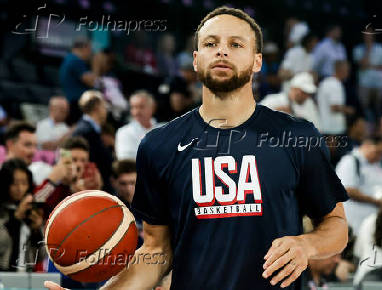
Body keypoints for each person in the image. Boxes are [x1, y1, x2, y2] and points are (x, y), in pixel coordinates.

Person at [45, 7, 349, 290]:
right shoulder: (158, 145)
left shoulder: (296, 135)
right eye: (211, 43)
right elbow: (155, 251)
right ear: (195, 59)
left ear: (257, 60)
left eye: (236, 44)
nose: (222, 50)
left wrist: (306, 245)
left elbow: (336, 225)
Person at [33, 137, 102, 219]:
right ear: (62, 161)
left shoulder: (88, 188)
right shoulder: (51, 185)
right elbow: (35, 203)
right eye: (74, 160)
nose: (79, 165)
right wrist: (52, 181)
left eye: (83, 160)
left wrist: (88, 195)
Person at [336, 136, 382, 233]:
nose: (380, 157)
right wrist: (376, 201)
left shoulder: (378, 166)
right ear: (367, 145)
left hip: (370, 223)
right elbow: (347, 190)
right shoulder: (349, 161)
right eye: (378, 152)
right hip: (351, 223)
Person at [0, 158, 44, 271]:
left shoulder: (31, 210)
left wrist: (36, 231)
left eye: (24, 183)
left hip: (27, 276)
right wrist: (15, 218)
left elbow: (40, 256)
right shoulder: (3, 211)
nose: (20, 188)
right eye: (14, 183)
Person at [72, 90, 113, 192]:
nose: (106, 110)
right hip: (91, 187)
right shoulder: (85, 131)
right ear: (97, 107)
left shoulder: (90, 130)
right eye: (104, 106)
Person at [59, 37, 100, 124]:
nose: (91, 53)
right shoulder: (76, 60)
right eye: (90, 49)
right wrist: (96, 65)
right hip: (76, 105)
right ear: (85, 48)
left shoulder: (69, 58)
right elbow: (92, 82)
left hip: (72, 103)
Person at [353, 31, 382, 121]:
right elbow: (362, 65)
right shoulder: (358, 49)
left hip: (379, 83)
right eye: (366, 35)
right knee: (364, 107)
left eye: (370, 35)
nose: (368, 37)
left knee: (380, 108)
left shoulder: (381, 48)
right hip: (364, 83)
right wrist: (368, 50)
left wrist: (370, 66)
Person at [115, 91, 160, 160]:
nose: (137, 112)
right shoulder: (124, 132)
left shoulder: (166, 128)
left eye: (141, 107)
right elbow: (126, 161)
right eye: (133, 107)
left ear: (152, 108)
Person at [317, 60, 354, 136]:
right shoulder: (335, 84)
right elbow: (334, 107)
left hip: (324, 126)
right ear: (341, 70)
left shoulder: (325, 82)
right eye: (347, 70)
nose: (348, 73)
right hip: (333, 129)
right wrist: (348, 110)